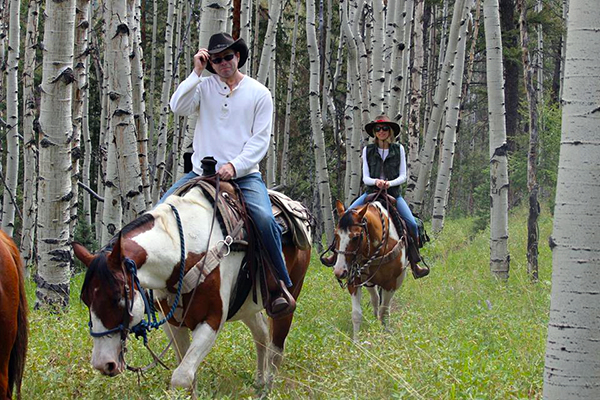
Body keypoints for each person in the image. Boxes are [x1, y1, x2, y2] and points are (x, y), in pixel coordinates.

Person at [165, 32, 293, 313]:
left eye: (229, 56)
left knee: (263, 219)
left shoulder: (259, 93)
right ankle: (157, 288)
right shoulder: (203, 86)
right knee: (163, 208)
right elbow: (177, 107)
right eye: (217, 59)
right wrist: (196, 72)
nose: (224, 62)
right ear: (211, 62)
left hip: (244, 175)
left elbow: (260, 140)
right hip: (201, 172)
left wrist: (235, 165)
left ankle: (278, 286)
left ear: (238, 57)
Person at [323, 115, 429, 279]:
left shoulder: (398, 149)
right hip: (370, 193)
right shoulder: (368, 150)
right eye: (378, 129)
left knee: (412, 224)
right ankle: (335, 255)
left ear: (390, 131)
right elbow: (365, 177)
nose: (381, 131)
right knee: (346, 218)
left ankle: (415, 263)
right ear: (374, 132)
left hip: (393, 194)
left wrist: (390, 183)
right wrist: (376, 182)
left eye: (385, 128)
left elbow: (403, 176)